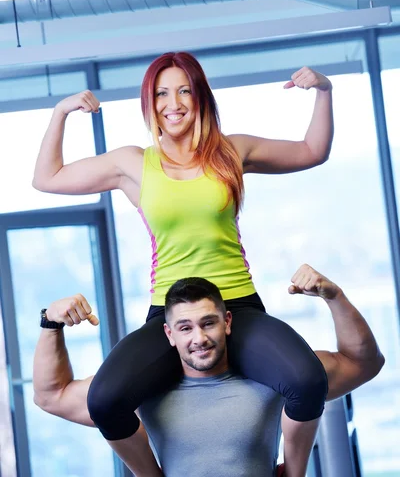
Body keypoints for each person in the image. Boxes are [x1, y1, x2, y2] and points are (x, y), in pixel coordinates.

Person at [32, 52, 334, 477]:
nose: (173, 103)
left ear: (200, 98)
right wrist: (61, 112)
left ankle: (293, 473)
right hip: (168, 315)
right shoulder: (133, 163)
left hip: (237, 307)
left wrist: (324, 91)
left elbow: (312, 150)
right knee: (104, 402)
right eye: (161, 93)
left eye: (184, 91)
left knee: (308, 382)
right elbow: (47, 178)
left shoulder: (230, 152)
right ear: (149, 103)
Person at [33, 264, 385, 477]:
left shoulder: (273, 380)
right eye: (185, 328)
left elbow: (364, 363)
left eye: (208, 323)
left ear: (228, 322)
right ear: (168, 334)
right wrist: (50, 323)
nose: (199, 338)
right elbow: (52, 395)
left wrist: (334, 296)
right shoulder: (145, 393)